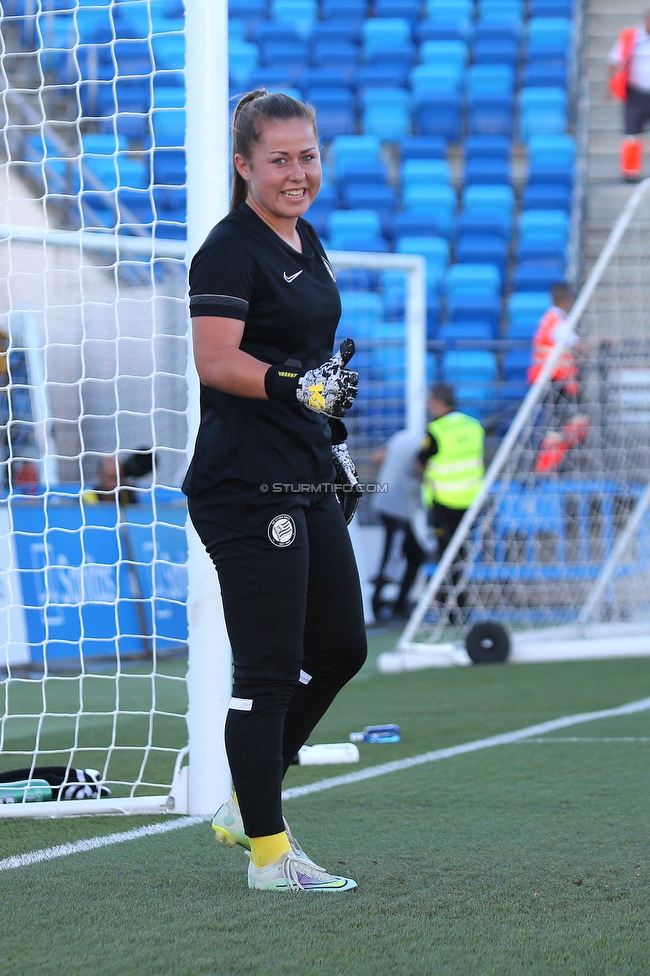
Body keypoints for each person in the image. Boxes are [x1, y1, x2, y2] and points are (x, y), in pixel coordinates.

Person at [183, 90, 367, 893]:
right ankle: (268, 853)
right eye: (280, 160)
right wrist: (297, 386)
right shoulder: (229, 250)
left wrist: (335, 443)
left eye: (308, 156)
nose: (299, 173)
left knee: (342, 648)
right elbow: (217, 362)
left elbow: (316, 369)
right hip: (245, 488)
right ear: (244, 166)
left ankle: (243, 802)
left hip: (305, 474)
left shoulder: (306, 236)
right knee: (268, 666)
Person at [417, 383, 484, 622]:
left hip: (443, 502)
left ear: (437, 402)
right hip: (471, 501)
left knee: (445, 557)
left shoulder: (436, 430)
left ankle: (449, 608)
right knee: (461, 556)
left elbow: (420, 462)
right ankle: (460, 606)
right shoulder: (474, 426)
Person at [527, 283, 590, 474]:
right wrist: (600, 342)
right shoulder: (559, 323)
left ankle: (551, 466)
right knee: (563, 426)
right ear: (567, 300)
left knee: (567, 423)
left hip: (549, 379)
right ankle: (548, 468)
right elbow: (578, 346)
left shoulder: (548, 319)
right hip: (555, 380)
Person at [370, 429, 427, 622]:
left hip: (388, 501)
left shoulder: (403, 436)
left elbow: (376, 457)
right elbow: (420, 466)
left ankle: (398, 604)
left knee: (415, 554)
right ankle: (377, 605)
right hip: (399, 506)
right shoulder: (424, 443)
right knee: (394, 557)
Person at [607, 10, 650, 180]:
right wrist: (610, 87)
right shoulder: (629, 37)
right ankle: (630, 171)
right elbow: (614, 61)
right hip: (635, 93)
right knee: (632, 134)